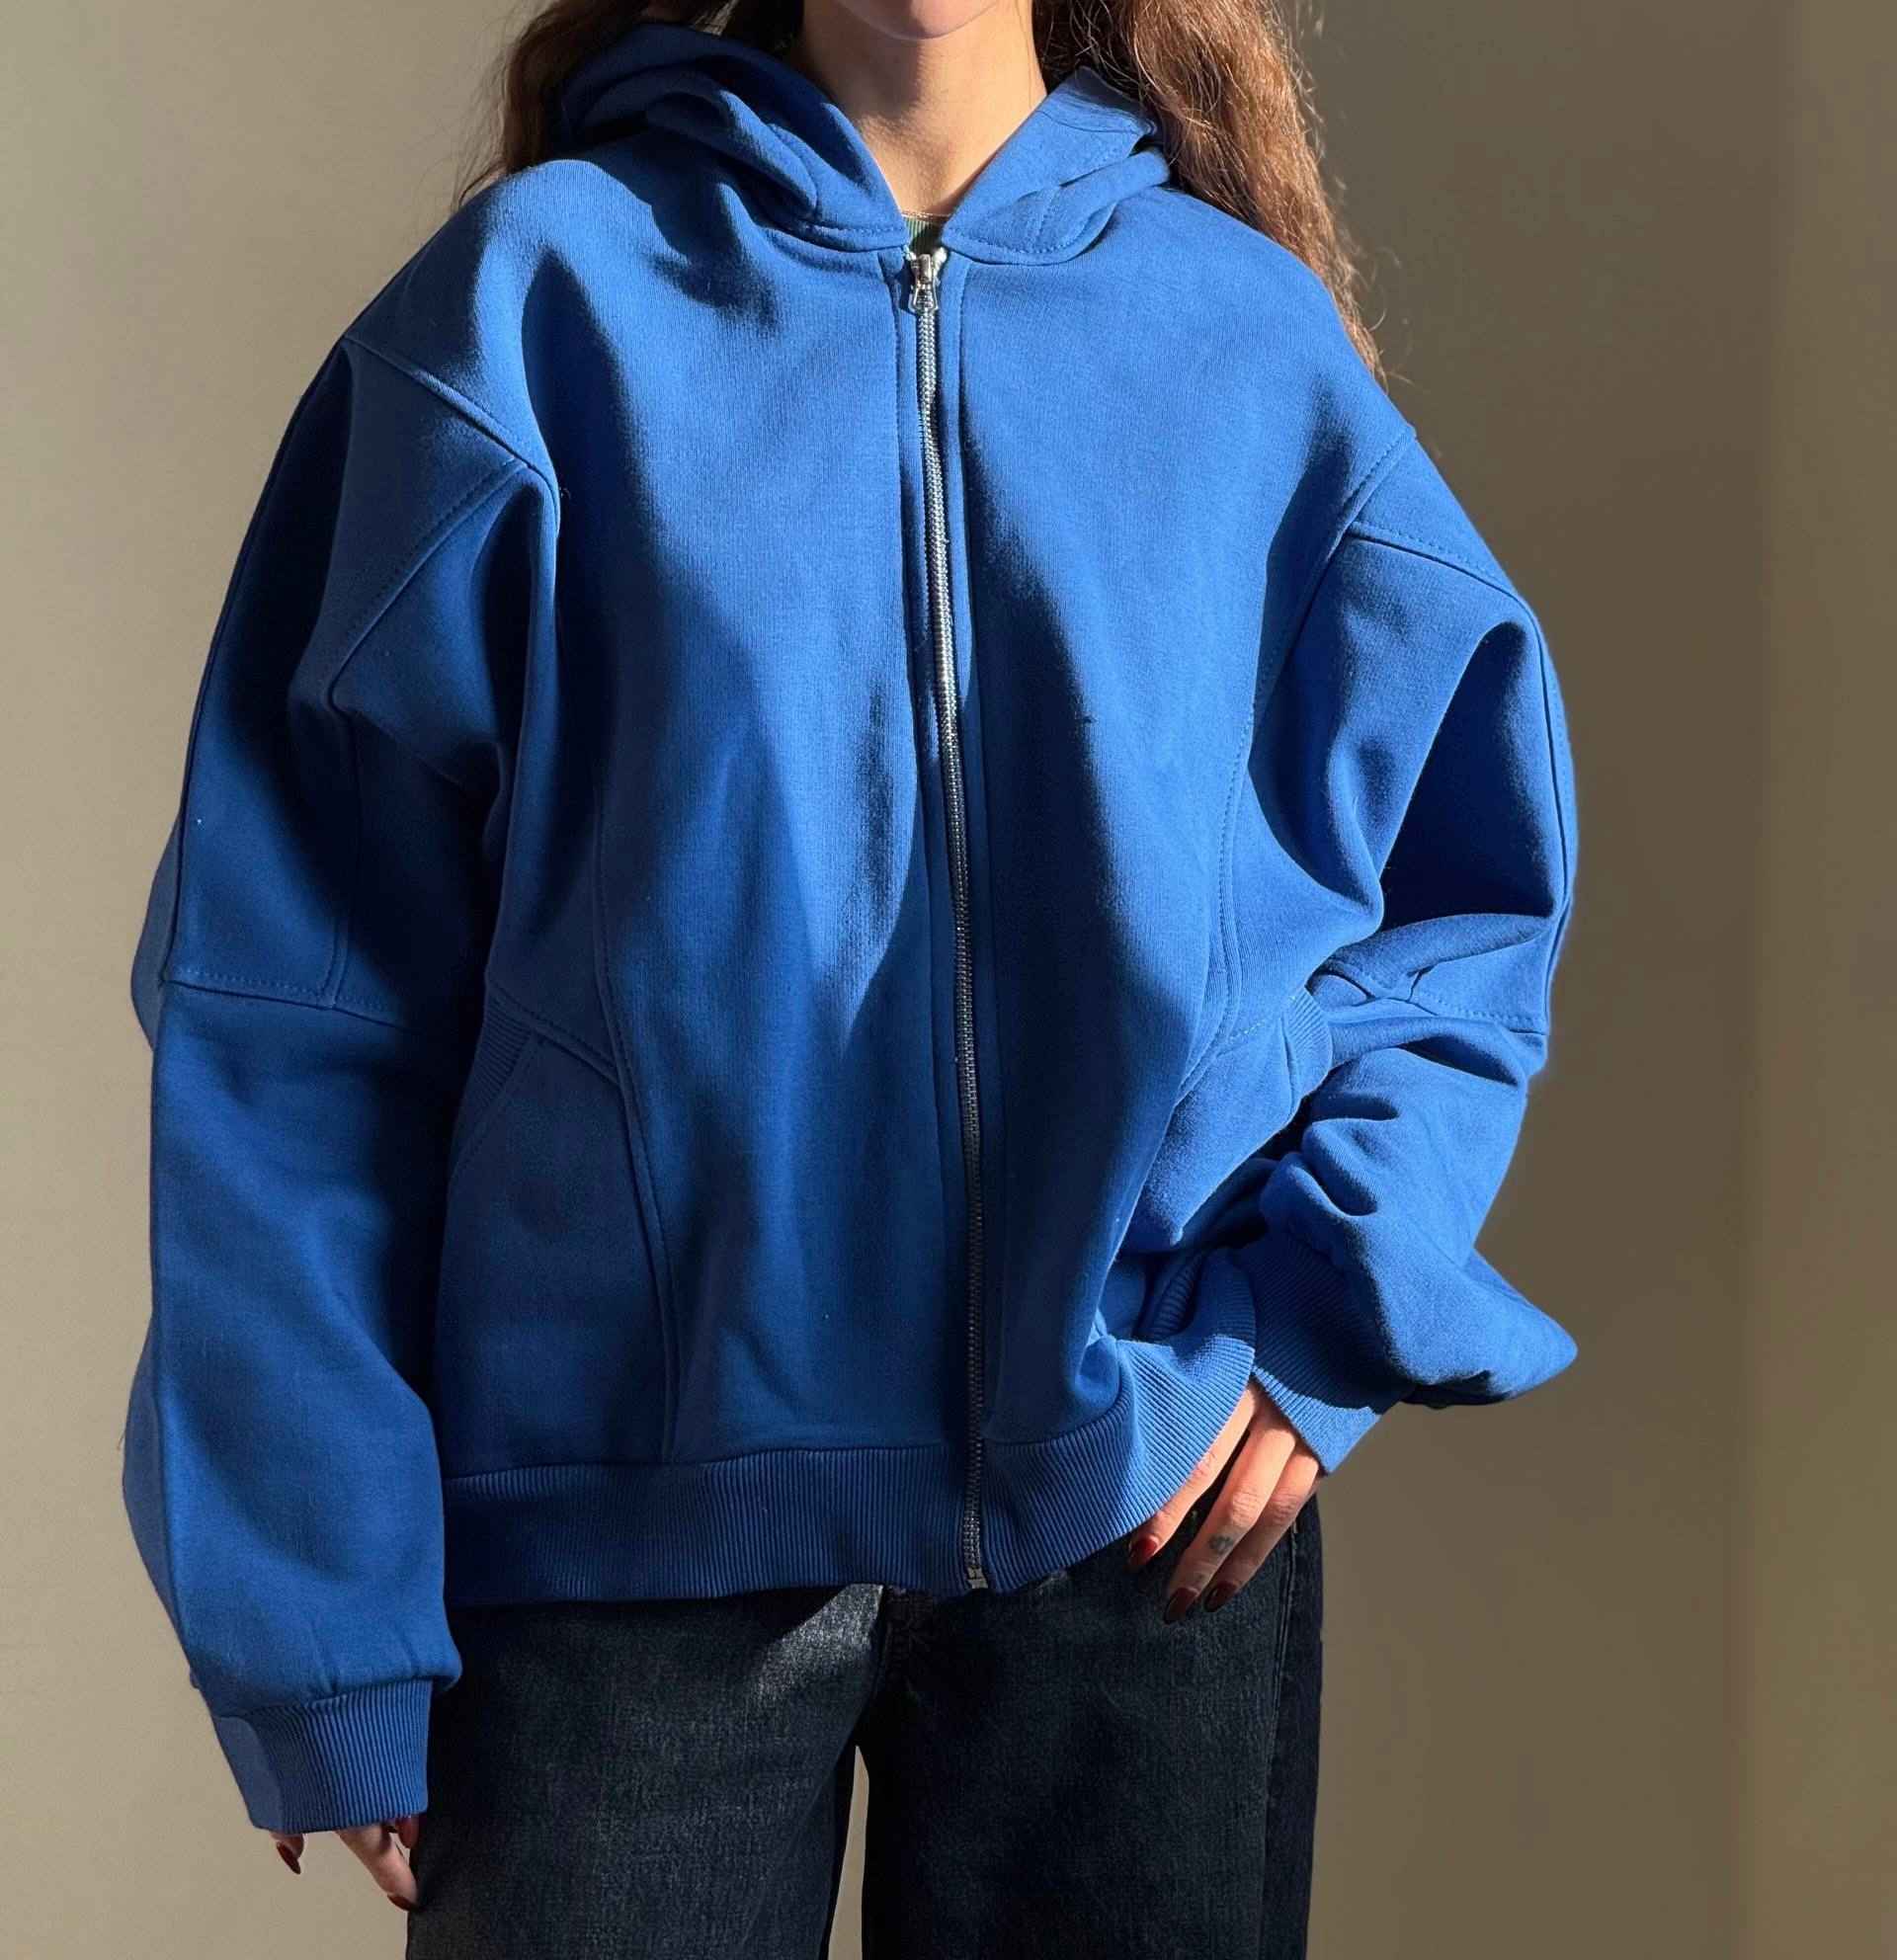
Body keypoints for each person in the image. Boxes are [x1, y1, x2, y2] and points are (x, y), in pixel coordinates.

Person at [119, 1, 1582, 1953]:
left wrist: (1323, 1307)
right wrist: (320, 1593)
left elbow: (1466, 894)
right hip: (615, 1554)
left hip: (1140, 1531)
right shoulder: (537, 310)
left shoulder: (1247, 346)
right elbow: (293, 995)